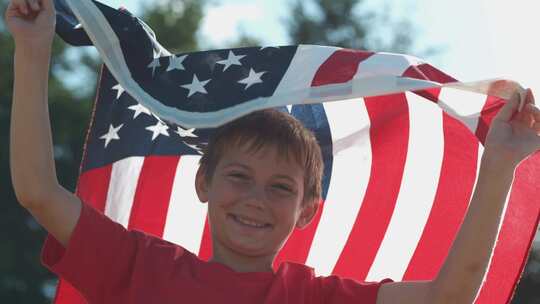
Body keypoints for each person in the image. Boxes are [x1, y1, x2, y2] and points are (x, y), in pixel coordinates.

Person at [6, 0, 540, 303]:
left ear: (307, 209)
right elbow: (36, 191)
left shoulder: (315, 297)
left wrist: (498, 164)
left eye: (281, 186)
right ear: (203, 183)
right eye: (239, 176)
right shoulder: (142, 268)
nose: (256, 199)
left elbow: (449, 297)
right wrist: (33, 49)